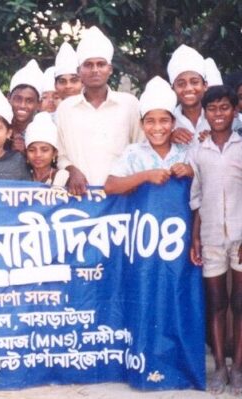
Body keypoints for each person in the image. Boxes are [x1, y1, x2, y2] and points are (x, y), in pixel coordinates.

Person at [189, 85, 242, 395]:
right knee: (217, 302)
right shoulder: (198, 151)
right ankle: (219, 365)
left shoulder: (241, 147)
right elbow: (196, 200)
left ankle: (238, 368)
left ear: (234, 111)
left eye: (224, 108)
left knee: (240, 303)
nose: (218, 113)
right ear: (205, 113)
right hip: (210, 238)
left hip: (240, 236)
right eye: (212, 109)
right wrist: (195, 237)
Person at [55, 26, 142, 194]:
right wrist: (72, 170)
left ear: (109, 69)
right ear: (79, 71)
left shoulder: (129, 104)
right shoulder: (65, 109)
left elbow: (140, 147)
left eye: (100, 64)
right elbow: (60, 154)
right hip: (80, 197)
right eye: (88, 65)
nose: (95, 70)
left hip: (122, 196)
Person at [104, 76, 193, 194]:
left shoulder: (185, 152)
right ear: (141, 124)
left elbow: (204, 181)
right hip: (143, 212)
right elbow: (110, 186)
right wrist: (146, 176)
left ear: (173, 123)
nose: (157, 128)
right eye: (150, 121)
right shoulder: (133, 152)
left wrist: (189, 171)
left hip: (179, 212)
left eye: (164, 121)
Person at [167, 44, 209, 145]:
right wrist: (168, 138)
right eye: (181, 84)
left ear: (205, 85)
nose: (188, 89)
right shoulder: (168, 121)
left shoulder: (221, 116)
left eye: (194, 82)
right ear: (173, 89)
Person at [8, 59, 43, 152]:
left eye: (29, 101)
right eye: (18, 99)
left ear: (39, 104)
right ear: (9, 98)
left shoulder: (42, 131)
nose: (22, 105)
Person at [24, 112, 69, 185]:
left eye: (44, 150)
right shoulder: (22, 176)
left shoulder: (62, 177)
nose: (38, 155)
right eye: (32, 150)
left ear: (54, 153)